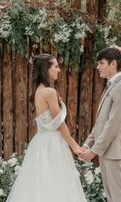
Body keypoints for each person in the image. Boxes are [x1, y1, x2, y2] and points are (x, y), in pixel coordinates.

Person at [6, 54, 87, 202]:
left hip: (41, 142)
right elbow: (59, 123)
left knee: (41, 183)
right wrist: (75, 146)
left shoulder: (39, 91)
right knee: (56, 182)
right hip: (52, 143)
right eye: (55, 66)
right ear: (46, 69)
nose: (59, 70)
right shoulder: (49, 92)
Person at [80, 46, 121, 202]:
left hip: (115, 151)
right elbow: (100, 123)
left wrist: (94, 151)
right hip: (107, 152)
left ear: (113, 64)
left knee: (120, 198)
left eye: (101, 63)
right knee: (112, 198)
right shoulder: (112, 86)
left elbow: (113, 125)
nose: (98, 67)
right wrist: (87, 145)